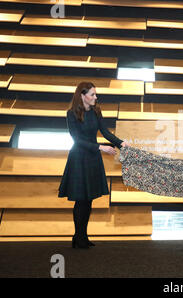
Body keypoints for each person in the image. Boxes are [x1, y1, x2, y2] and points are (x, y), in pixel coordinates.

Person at [59, 82, 129, 249]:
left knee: (88, 199)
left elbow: (105, 132)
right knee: (81, 200)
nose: (95, 97)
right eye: (92, 94)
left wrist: (121, 143)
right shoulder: (71, 114)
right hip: (79, 158)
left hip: (92, 159)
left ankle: (81, 236)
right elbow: (77, 140)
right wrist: (101, 147)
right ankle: (79, 236)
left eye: (95, 94)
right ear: (82, 96)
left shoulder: (96, 111)